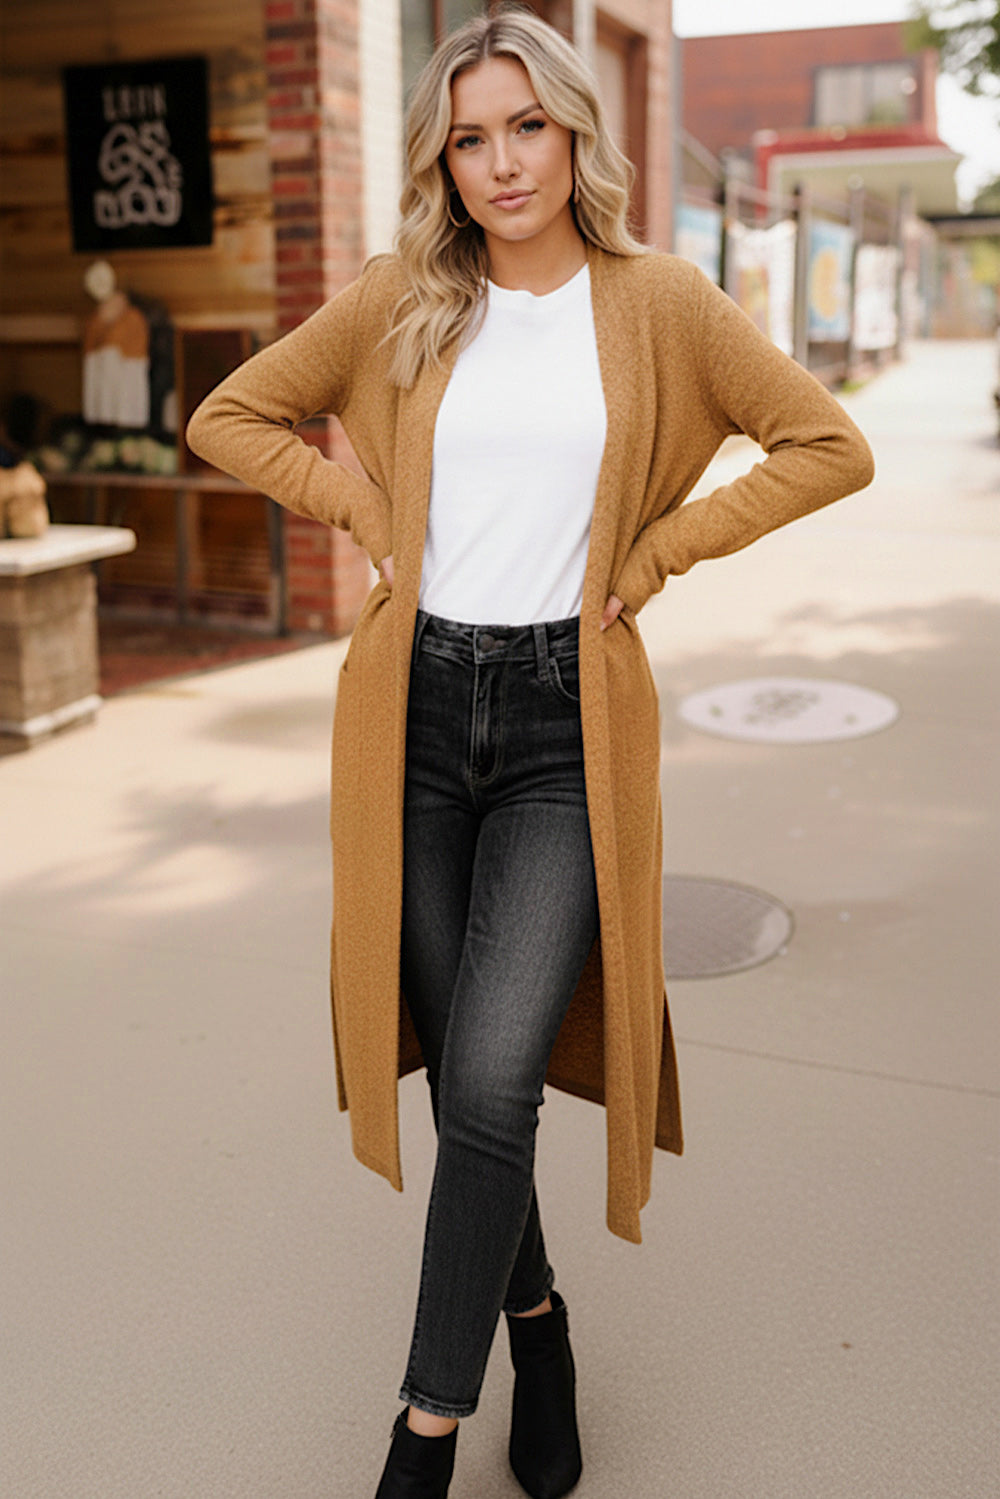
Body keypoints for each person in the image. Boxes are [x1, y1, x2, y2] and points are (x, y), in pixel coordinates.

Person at [185, 9, 874, 1497]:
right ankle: (541, 1322)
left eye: (528, 129)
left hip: (567, 727)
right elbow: (230, 416)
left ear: (576, 137)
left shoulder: (661, 302)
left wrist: (667, 547)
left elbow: (827, 443)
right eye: (471, 136)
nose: (500, 164)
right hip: (414, 723)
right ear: (444, 155)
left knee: (494, 1074)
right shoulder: (400, 299)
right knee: (463, 1083)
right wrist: (370, 519)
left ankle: (424, 1430)